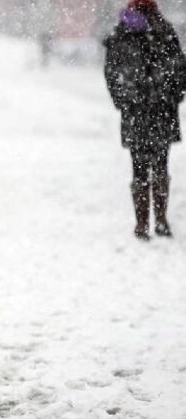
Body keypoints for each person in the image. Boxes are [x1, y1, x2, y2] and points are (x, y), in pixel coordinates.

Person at [104, 0, 185, 240]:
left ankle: (142, 224)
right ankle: (159, 220)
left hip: (137, 112)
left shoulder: (121, 33)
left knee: (139, 168)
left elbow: (111, 72)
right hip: (161, 110)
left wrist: (123, 101)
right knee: (160, 165)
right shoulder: (164, 31)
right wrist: (172, 96)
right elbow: (179, 70)